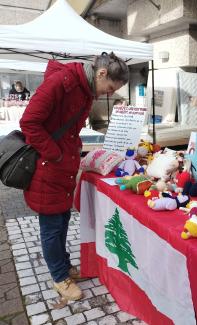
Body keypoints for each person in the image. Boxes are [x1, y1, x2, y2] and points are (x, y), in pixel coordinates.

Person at [19, 52, 129, 301]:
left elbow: (68, 129)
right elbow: (29, 123)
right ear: (101, 74)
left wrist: (72, 150)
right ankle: (59, 277)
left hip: (62, 168)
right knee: (51, 226)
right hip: (48, 167)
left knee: (62, 221)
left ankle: (65, 267)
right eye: (110, 87)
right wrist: (56, 153)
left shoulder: (85, 89)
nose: (109, 94)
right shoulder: (63, 82)